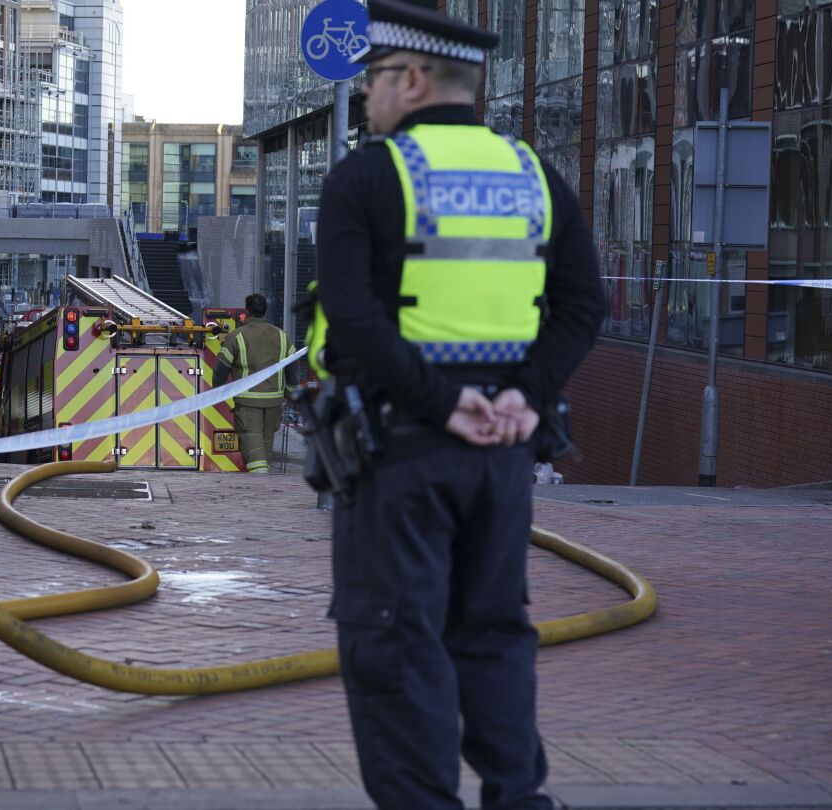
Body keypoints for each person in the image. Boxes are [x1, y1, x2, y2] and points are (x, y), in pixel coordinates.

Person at [314, 1, 606, 807]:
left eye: (373, 78)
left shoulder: (367, 177)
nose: (368, 96)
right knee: (495, 636)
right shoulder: (537, 178)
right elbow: (585, 305)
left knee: (397, 642)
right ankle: (519, 799)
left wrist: (442, 405)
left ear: (410, 80)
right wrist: (521, 397)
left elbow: (355, 317)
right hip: (506, 455)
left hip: (401, 453)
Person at [212, 293, 299, 473]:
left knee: (254, 450)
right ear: (264, 311)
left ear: (247, 311)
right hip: (274, 402)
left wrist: (217, 392)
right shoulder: (282, 336)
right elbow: (293, 370)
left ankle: (259, 486)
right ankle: (265, 484)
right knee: (266, 447)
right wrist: (291, 393)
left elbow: (221, 369)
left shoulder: (237, 336)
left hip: (248, 402)